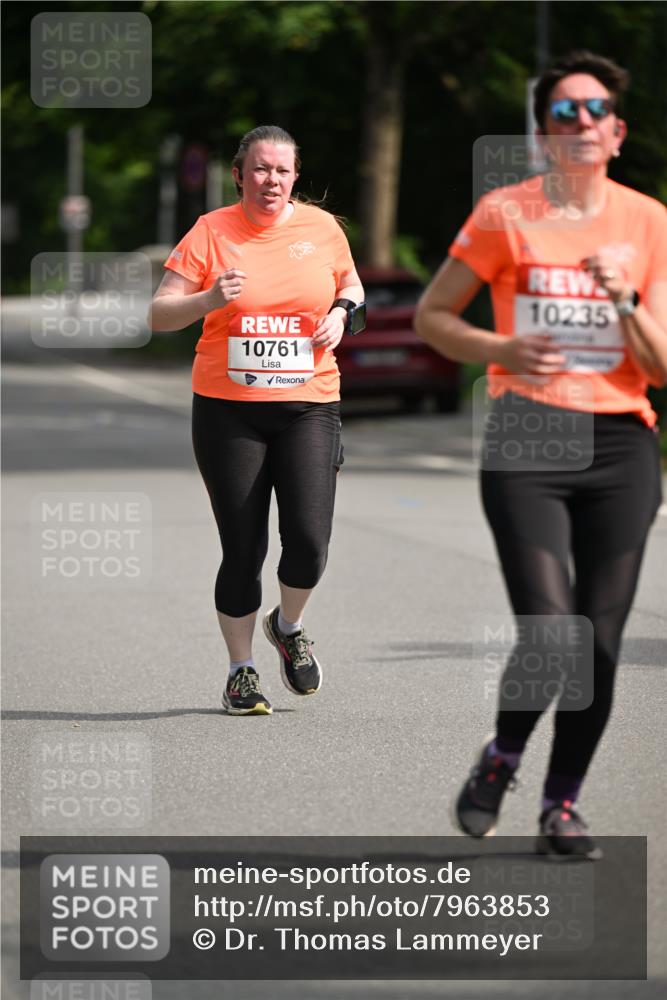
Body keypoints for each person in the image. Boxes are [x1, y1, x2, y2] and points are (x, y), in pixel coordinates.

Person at [415, 52, 667, 858]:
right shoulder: (504, 213)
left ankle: (561, 805)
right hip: (527, 431)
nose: (581, 123)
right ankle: (502, 758)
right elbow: (432, 316)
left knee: (597, 641)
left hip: (623, 441)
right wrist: (501, 347)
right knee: (551, 632)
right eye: (564, 113)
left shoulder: (649, 222)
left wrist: (623, 299)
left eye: (594, 110)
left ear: (617, 132)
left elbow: (661, 366)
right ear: (543, 134)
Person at [150, 124, 364, 716]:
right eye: (261, 170)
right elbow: (159, 315)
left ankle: (288, 626)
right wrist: (206, 300)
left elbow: (351, 283)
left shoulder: (321, 228)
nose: (272, 180)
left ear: (296, 177)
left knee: (310, 543)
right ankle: (240, 672)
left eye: (283, 171)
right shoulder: (210, 232)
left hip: (310, 404)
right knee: (242, 549)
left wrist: (344, 313)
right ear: (239, 174)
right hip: (228, 412)